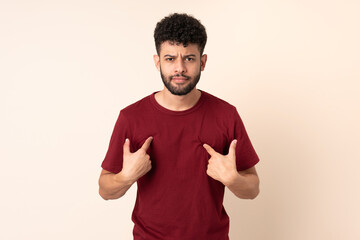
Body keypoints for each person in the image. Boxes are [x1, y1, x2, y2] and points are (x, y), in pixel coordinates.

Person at [98, 13, 260, 240]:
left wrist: (233, 179)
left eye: (189, 59)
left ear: (202, 62)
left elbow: (253, 189)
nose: (180, 68)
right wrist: (125, 177)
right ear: (158, 62)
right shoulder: (130, 117)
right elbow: (104, 190)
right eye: (170, 58)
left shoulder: (226, 115)